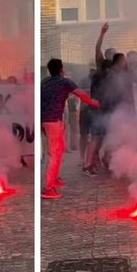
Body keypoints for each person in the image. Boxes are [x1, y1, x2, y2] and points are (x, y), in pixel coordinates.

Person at [41, 59, 99, 199]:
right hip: (53, 120)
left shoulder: (45, 82)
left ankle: (54, 179)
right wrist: (93, 102)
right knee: (54, 153)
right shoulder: (64, 81)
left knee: (60, 148)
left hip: (46, 120)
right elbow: (80, 93)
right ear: (61, 69)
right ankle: (48, 188)